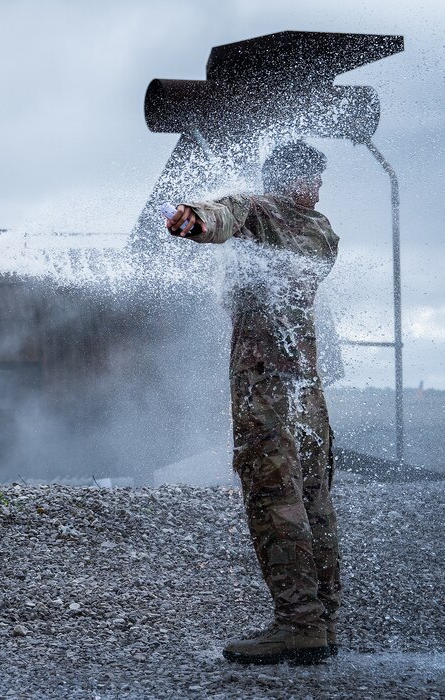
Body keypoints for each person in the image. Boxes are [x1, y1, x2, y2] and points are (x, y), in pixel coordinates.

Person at [165, 140, 341, 665]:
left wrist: (192, 219)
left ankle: (298, 625)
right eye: (313, 178)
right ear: (298, 179)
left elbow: (221, 215)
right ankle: (324, 620)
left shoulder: (259, 208)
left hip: (264, 381)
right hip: (306, 387)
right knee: (314, 500)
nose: (317, 188)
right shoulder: (322, 232)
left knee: (273, 495)